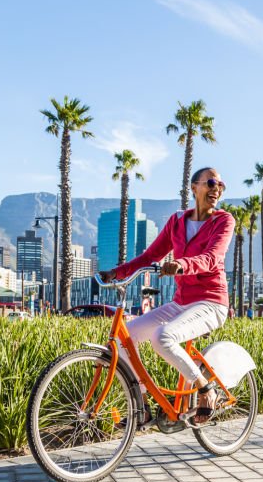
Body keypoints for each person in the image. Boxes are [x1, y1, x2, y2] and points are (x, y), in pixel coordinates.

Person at [100, 167, 234, 425]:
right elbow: (150, 257)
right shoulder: (177, 221)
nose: (217, 188)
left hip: (211, 302)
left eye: (221, 185)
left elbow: (212, 258)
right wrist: (115, 273)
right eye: (211, 182)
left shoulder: (223, 221)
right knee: (121, 338)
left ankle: (206, 390)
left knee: (163, 337)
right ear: (194, 187)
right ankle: (141, 406)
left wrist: (183, 265)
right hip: (182, 303)